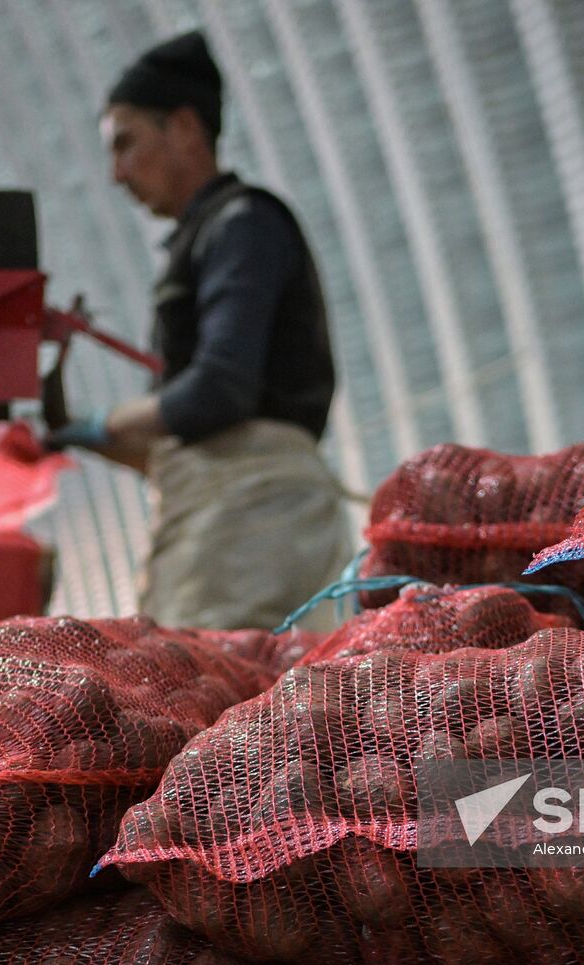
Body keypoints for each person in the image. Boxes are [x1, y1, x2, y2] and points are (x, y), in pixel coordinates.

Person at [45, 30, 351, 632]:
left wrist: (103, 420)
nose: (115, 174)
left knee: (225, 700)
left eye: (126, 144)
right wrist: (76, 436)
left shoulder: (244, 224)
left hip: (251, 523)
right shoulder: (209, 234)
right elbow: (192, 431)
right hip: (230, 515)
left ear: (184, 127)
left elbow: (220, 391)